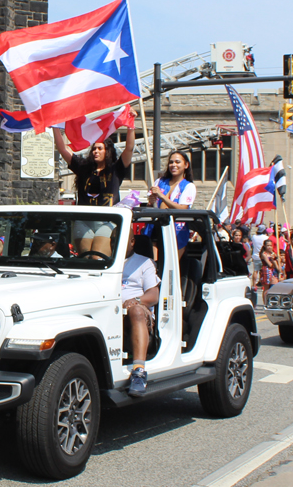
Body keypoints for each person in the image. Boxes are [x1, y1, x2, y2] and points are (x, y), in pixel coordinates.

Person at [52, 116, 136, 255]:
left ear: (107, 151)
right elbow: (62, 149)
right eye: (94, 149)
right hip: (84, 220)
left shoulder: (116, 169)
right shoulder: (84, 168)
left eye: (100, 148)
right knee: (86, 258)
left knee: (98, 257)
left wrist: (130, 125)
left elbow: (129, 148)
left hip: (107, 220)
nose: (95, 151)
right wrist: (55, 126)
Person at [121, 228, 160, 397]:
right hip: (111, 309)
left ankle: (138, 372)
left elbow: (154, 295)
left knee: (136, 311)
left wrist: (136, 301)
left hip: (136, 311)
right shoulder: (104, 261)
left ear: (131, 242)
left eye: (123, 239)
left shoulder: (144, 263)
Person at [147, 150, 197, 256]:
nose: (173, 165)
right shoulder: (159, 182)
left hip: (176, 231)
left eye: (177, 162)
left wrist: (162, 196)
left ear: (186, 165)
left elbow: (183, 208)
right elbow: (151, 205)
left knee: (171, 265)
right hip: (156, 229)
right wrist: (151, 202)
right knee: (154, 263)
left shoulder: (188, 186)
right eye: (171, 162)